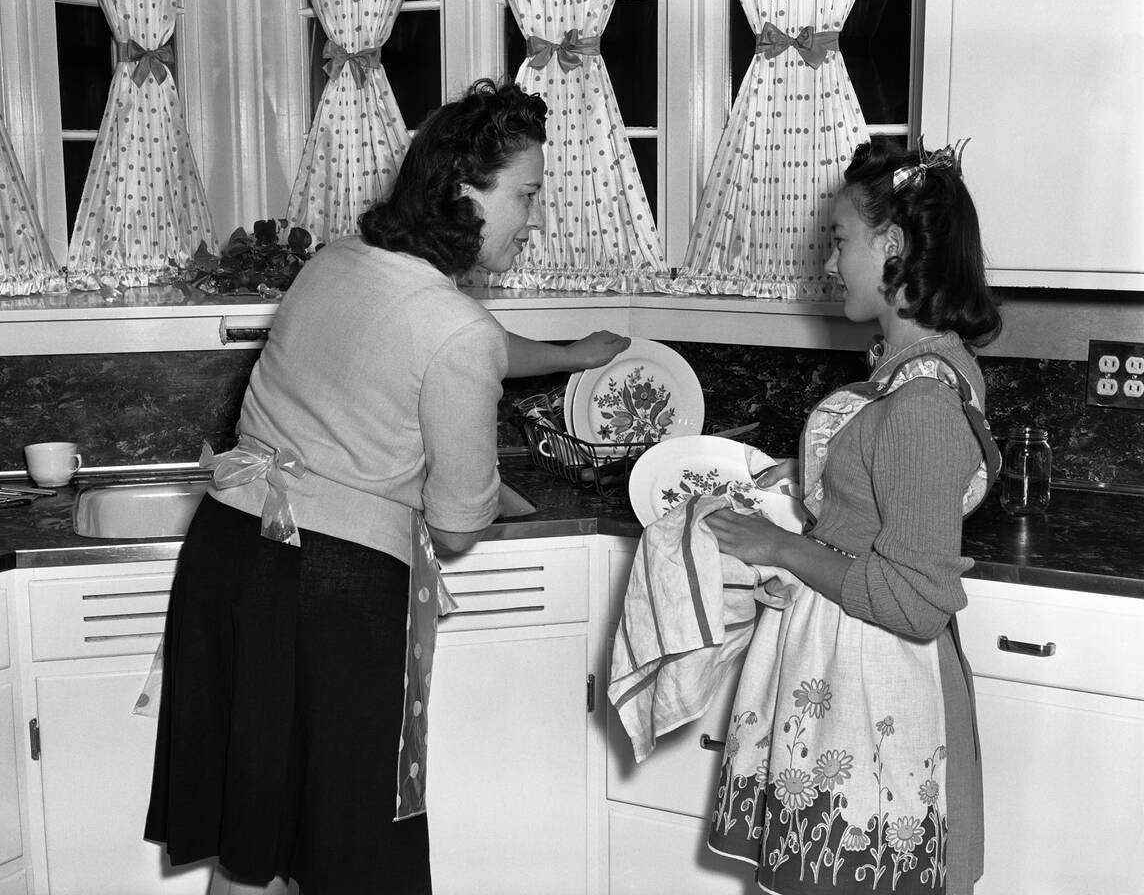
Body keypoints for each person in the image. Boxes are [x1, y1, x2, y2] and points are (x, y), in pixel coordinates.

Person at [143, 78, 628, 895]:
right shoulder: (454, 328)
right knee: (353, 845)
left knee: (252, 838)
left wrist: (571, 354)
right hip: (327, 592)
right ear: (464, 195)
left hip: (231, 554)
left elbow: (445, 335)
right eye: (528, 196)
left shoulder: (341, 261)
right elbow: (459, 522)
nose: (536, 218)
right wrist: (463, 480)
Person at [703, 139, 1002, 895]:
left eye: (839, 242)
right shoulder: (912, 371)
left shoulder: (922, 404)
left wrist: (781, 547)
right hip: (848, 674)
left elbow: (914, 601)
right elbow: (891, 491)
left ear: (893, 247)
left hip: (878, 692)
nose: (829, 264)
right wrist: (817, 478)